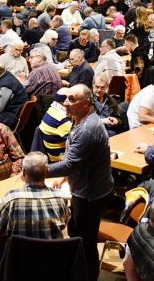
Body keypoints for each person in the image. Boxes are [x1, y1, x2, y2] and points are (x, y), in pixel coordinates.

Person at [48, 84, 114, 281]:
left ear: (86, 103)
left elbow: (70, 164)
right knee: (76, 232)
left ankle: (88, 276)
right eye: (66, 98)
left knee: (85, 242)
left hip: (89, 195)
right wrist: (64, 177)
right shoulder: (82, 119)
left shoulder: (87, 129)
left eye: (72, 99)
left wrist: (40, 170)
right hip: (87, 188)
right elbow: (78, 159)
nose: (65, 103)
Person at [0, 151, 70, 240]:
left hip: (20, 249)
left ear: (24, 172)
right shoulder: (61, 197)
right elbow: (65, 221)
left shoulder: (12, 198)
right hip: (53, 249)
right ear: (47, 172)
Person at [92, 72, 121, 137]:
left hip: (110, 132)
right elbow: (84, 121)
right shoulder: (87, 100)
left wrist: (116, 121)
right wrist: (101, 121)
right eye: (97, 87)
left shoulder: (112, 101)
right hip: (93, 132)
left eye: (102, 87)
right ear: (93, 85)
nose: (99, 90)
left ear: (107, 86)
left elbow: (119, 119)